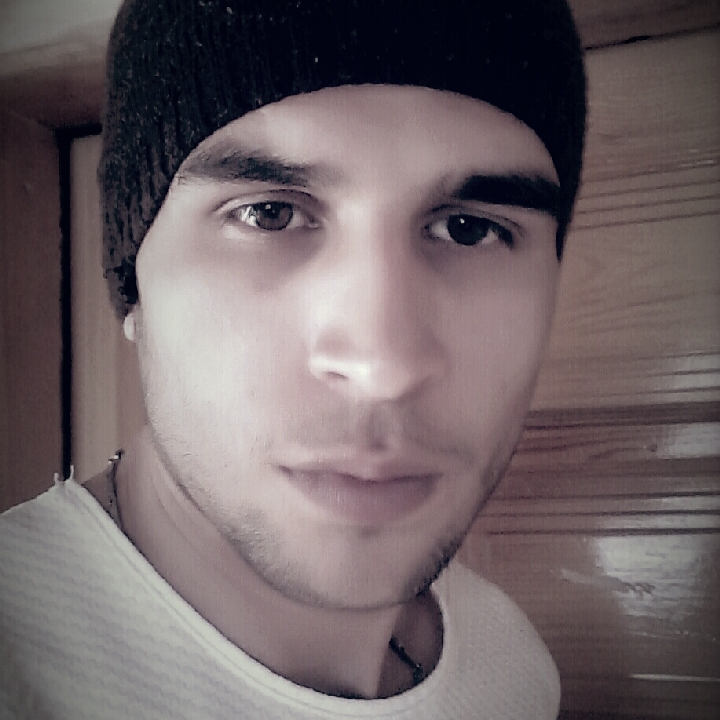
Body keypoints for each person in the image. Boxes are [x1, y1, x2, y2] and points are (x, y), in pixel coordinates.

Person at [0, 0, 586, 717]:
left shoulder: (516, 671)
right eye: (268, 213)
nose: (381, 367)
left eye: (469, 229)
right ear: (133, 288)